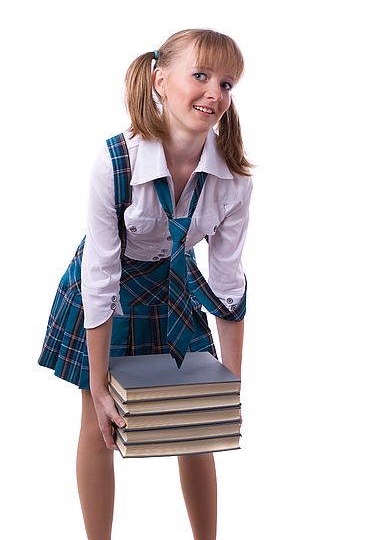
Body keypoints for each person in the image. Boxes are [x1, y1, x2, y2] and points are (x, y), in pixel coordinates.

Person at [37, 28, 253, 540]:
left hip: (173, 287)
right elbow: (101, 276)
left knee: (198, 427)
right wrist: (97, 385)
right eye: (199, 76)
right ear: (160, 79)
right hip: (104, 293)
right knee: (99, 424)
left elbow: (227, 283)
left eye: (226, 83)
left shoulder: (234, 178)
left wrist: (229, 384)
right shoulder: (116, 161)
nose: (215, 94)